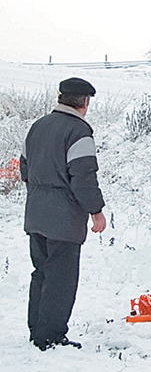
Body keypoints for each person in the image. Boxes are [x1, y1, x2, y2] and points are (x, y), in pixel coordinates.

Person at [20, 77, 107, 351]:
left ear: (60, 98)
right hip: (64, 219)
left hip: (35, 213)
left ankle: (38, 329)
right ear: (84, 102)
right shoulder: (79, 131)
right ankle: (51, 337)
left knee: (41, 272)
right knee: (61, 278)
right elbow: (83, 177)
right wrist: (96, 211)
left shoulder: (37, 126)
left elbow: (24, 168)